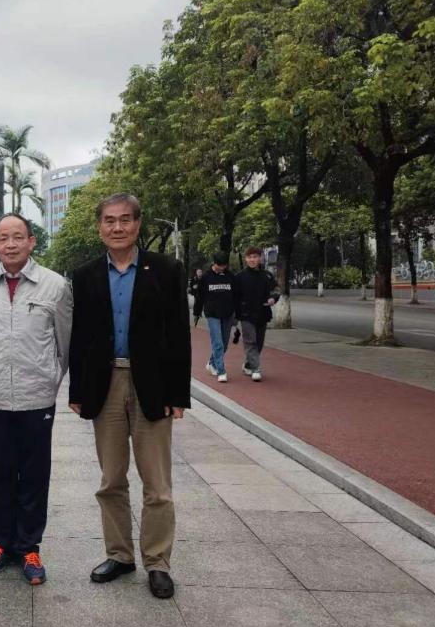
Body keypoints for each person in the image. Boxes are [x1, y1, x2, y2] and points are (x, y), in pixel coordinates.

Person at [68, 193, 191, 600]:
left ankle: (158, 562)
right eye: (109, 220)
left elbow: (179, 333)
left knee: (157, 484)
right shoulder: (85, 275)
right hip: (105, 385)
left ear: (138, 224)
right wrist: (78, 390)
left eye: (125, 219)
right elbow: (81, 336)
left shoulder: (166, 270)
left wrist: (178, 394)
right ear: (99, 227)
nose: (117, 227)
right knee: (111, 479)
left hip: (151, 384)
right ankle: (119, 555)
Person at [0, 213, 73, 585]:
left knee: (34, 475)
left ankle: (29, 546)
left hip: (37, 399)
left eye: (18, 237)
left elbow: (64, 344)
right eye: (3, 238)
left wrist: (48, 379)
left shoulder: (55, 285)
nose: (11, 244)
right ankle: (2, 543)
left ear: (32, 241)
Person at [234, 247, 279, 382]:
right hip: (246, 315)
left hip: (263, 313)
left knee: (259, 343)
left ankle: (248, 364)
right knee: (250, 341)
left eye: (255, 257)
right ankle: (256, 369)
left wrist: (273, 298)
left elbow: (276, 290)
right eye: (249, 257)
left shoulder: (267, 275)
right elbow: (234, 297)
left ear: (260, 258)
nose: (252, 260)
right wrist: (234, 316)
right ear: (246, 259)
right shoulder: (240, 277)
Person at [192, 252, 237, 383]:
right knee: (217, 343)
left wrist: (237, 313)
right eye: (219, 265)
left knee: (224, 344)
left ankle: (212, 363)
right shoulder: (206, 277)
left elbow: (236, 295)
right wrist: (196, 313)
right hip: (212, 314)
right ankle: (221, 371)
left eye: (224, 266)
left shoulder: (230, 276)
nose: (221, 268)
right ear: (214, 263)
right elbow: (199, 297)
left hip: (227, 314)